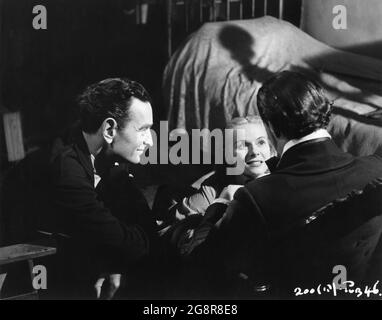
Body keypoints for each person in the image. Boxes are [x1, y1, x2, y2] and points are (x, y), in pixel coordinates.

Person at [191, 70, 382, 298]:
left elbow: (202, 264)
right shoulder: (375, 169)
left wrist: (219, 204)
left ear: (271, 127)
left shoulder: (256, 197)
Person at [47, 78, 165, 299]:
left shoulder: (107, 159)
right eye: (143, 130)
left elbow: (142, 230)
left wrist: (115, 260)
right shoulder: (66, 169)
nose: (149, 141)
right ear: (109, 129)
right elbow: (119, 238)